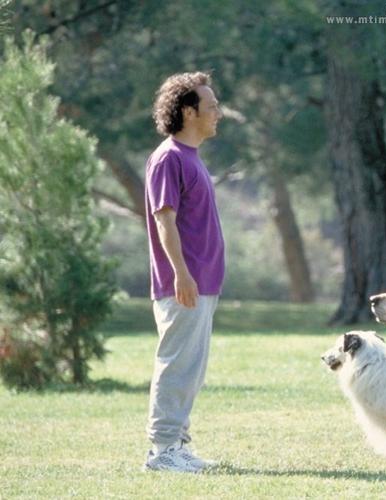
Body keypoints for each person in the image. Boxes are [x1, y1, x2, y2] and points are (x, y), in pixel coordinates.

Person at [143, 72, 224, 472]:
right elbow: (164, 221)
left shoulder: (190, 157)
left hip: (202, 283)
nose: (217, 114)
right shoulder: (169, 158)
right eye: (210, 107)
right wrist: (181, 274)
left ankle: (178, 444)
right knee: (177, 365)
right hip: (184, 284)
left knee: (191, 370)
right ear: (188, 111)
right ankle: (162, 451)